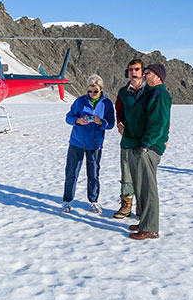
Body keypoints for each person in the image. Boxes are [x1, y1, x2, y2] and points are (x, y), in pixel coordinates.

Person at [121, 64, 171, 240]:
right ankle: (144, 222)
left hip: (147, 148)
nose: (144, 75)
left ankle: (150, 228)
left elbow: (158, 122)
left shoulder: (159, 94)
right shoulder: (149, 93)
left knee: (148, 189)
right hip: (138, 145)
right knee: (140, 187)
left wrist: (146, 145)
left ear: (157, 76)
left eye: (147, 73)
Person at [62, 74, 115, 215]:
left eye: (95, 91)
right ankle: (67, 201)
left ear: (101, 89)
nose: (92, 94)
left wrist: (100, 122)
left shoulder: (107, 104)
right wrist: (78, 120)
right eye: (90, 90)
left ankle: (93, 201)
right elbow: (68, 117)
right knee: (71, 173)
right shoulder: (80, 101)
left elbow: (111, 123)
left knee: (93, 174)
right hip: (77, 142)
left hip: (95, 144)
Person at [113, 59, 145, 218]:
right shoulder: (123, 92)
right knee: (126, 173)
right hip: (127, 138)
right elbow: (119, 109)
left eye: (137, 69)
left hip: (145, 139)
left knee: (143, 174)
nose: (134, 72)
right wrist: (119, 123)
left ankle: (142, 206)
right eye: (131, 69)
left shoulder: (150, 90)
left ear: (143, 71)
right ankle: (126, 205)